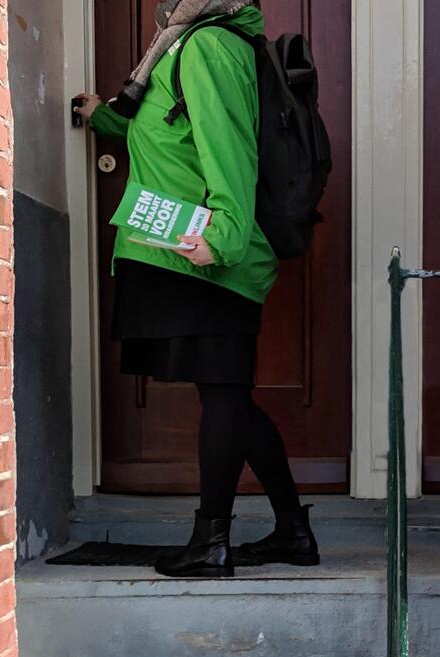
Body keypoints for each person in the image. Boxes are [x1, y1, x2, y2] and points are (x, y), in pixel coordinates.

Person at [75, 0, 319, 579]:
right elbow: (170, 126)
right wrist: (106, 118)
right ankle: (292, 530)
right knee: (227, 396)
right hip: (187, 247)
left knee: (225, 397)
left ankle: (212, 544)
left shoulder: (208, 45)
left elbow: (228, 142)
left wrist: (228, 236)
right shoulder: (188, 41)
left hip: (205, 249)